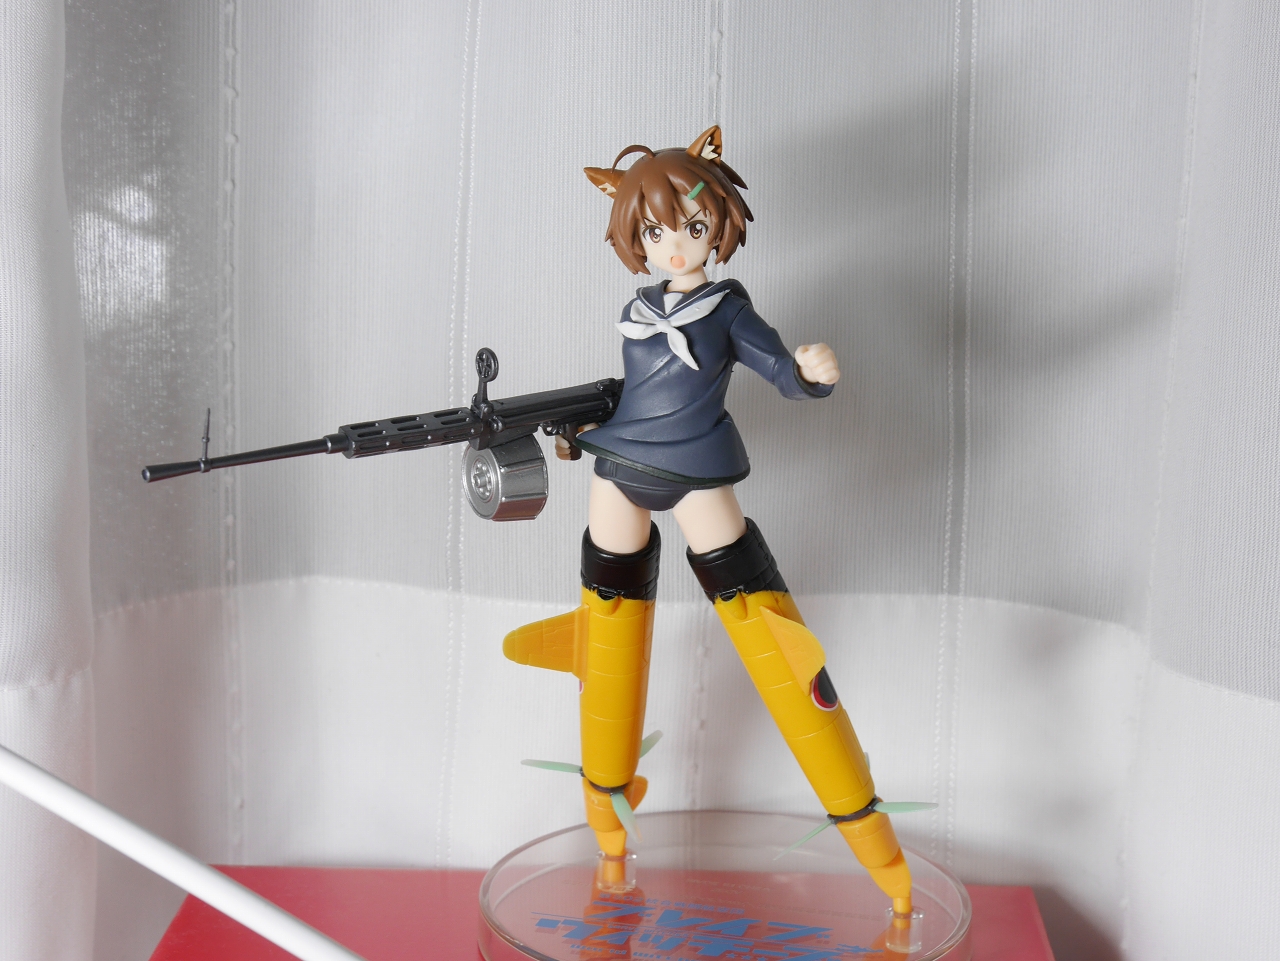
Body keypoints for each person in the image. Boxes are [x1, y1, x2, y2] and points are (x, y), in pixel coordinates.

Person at [503, 126, 913, 919]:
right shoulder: (638, 307)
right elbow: (639, 395)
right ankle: (607, 821)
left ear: (717, 223)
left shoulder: (727, 308)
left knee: (775, 643)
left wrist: (808, 374)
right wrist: (584, 428)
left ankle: (874, 846)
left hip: (695, 474)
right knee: (605, 630)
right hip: (620, 468)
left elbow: (776, 365)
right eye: (655, 232)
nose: (675, 245)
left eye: (690, 226)